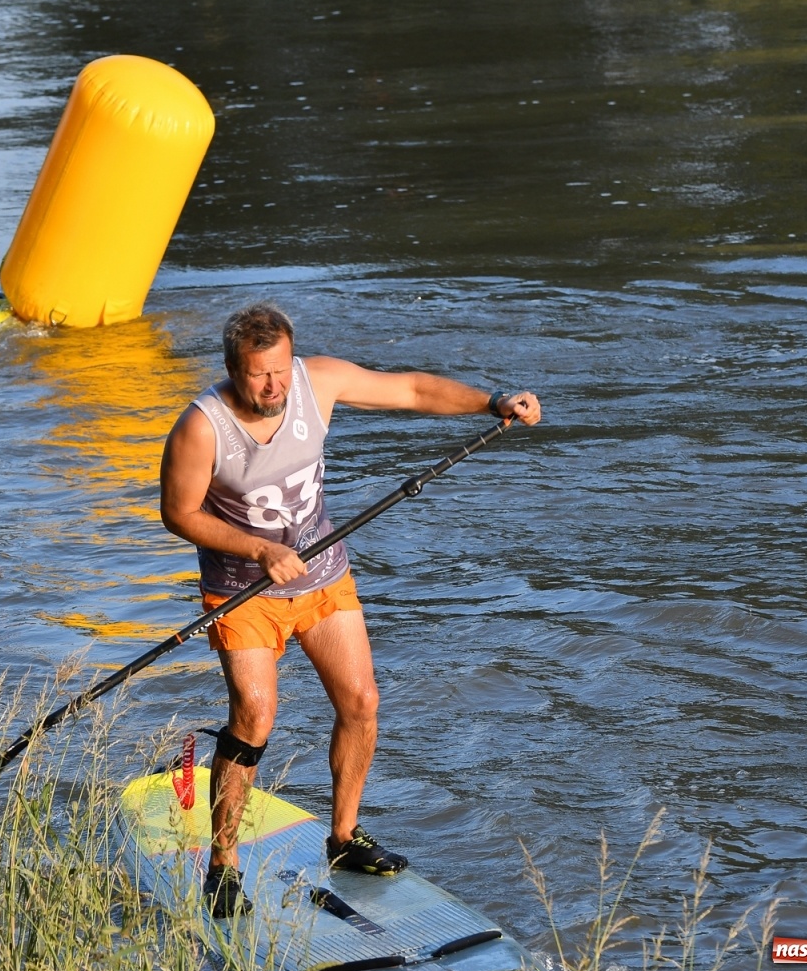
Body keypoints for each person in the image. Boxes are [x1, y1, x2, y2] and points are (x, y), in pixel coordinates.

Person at [158, 302, 541, 918]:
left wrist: (493, 401)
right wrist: (259, 548)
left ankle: (343, 838)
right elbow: (180, 514)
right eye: (259, 375)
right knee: (254, 718)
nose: (274, 386)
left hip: (324, 576)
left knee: (361, 702)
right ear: (233, 369)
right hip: (243, 592)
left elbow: (412, 390)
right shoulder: (200, 427)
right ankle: (224, 863)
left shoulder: (319, 381)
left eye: (281, 370)